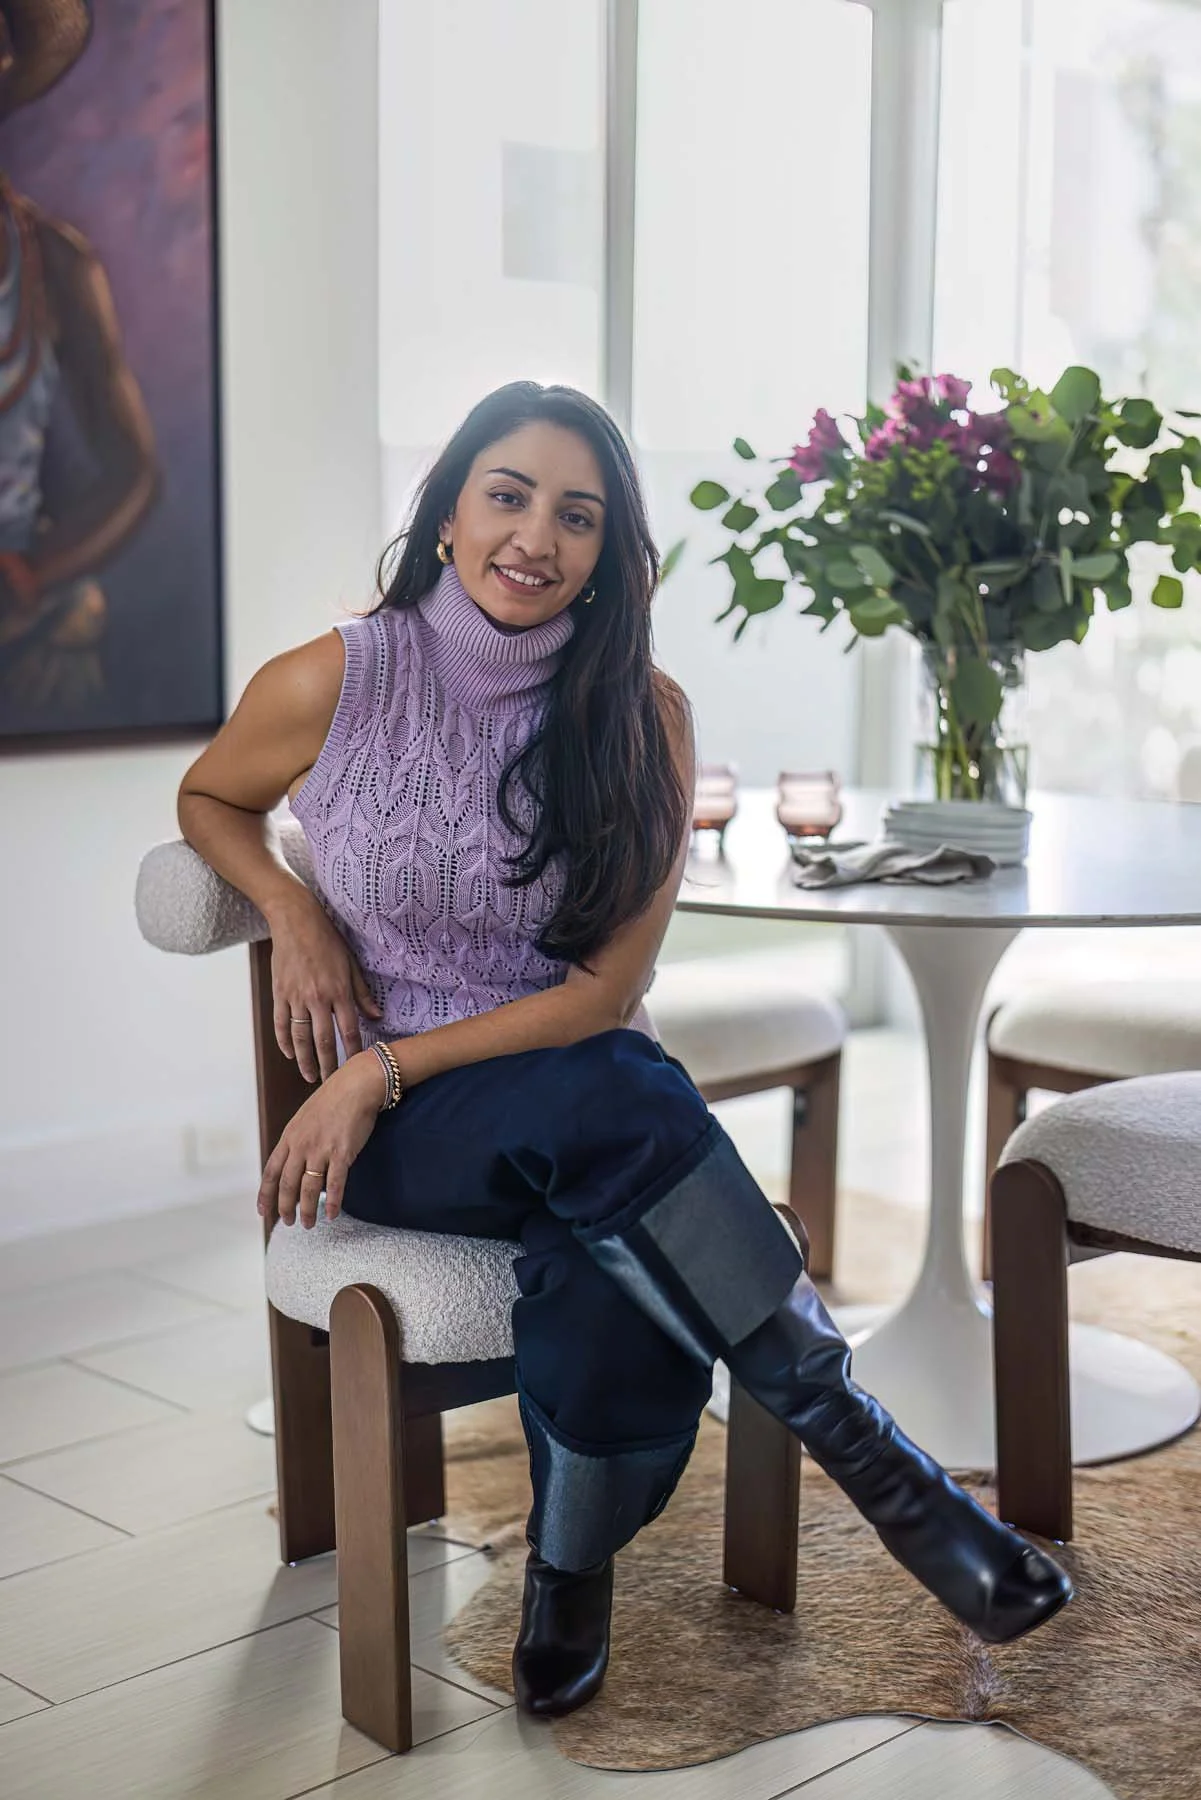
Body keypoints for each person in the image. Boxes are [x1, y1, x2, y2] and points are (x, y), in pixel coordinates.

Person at [178, 381, 1071, 1722]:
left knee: (599, 1221)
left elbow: (602, 997)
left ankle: (566, 1571)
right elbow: (207, 794)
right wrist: (296, 915)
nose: (534, 536)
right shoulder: (335, 678)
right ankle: (894, 1478)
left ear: (611, 552)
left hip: (539, 1092)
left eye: (576, 514)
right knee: (630, 1108)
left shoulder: (643, 714)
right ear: (447, 515)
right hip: (405, 1140)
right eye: (507, 495)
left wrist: (381, 1067)